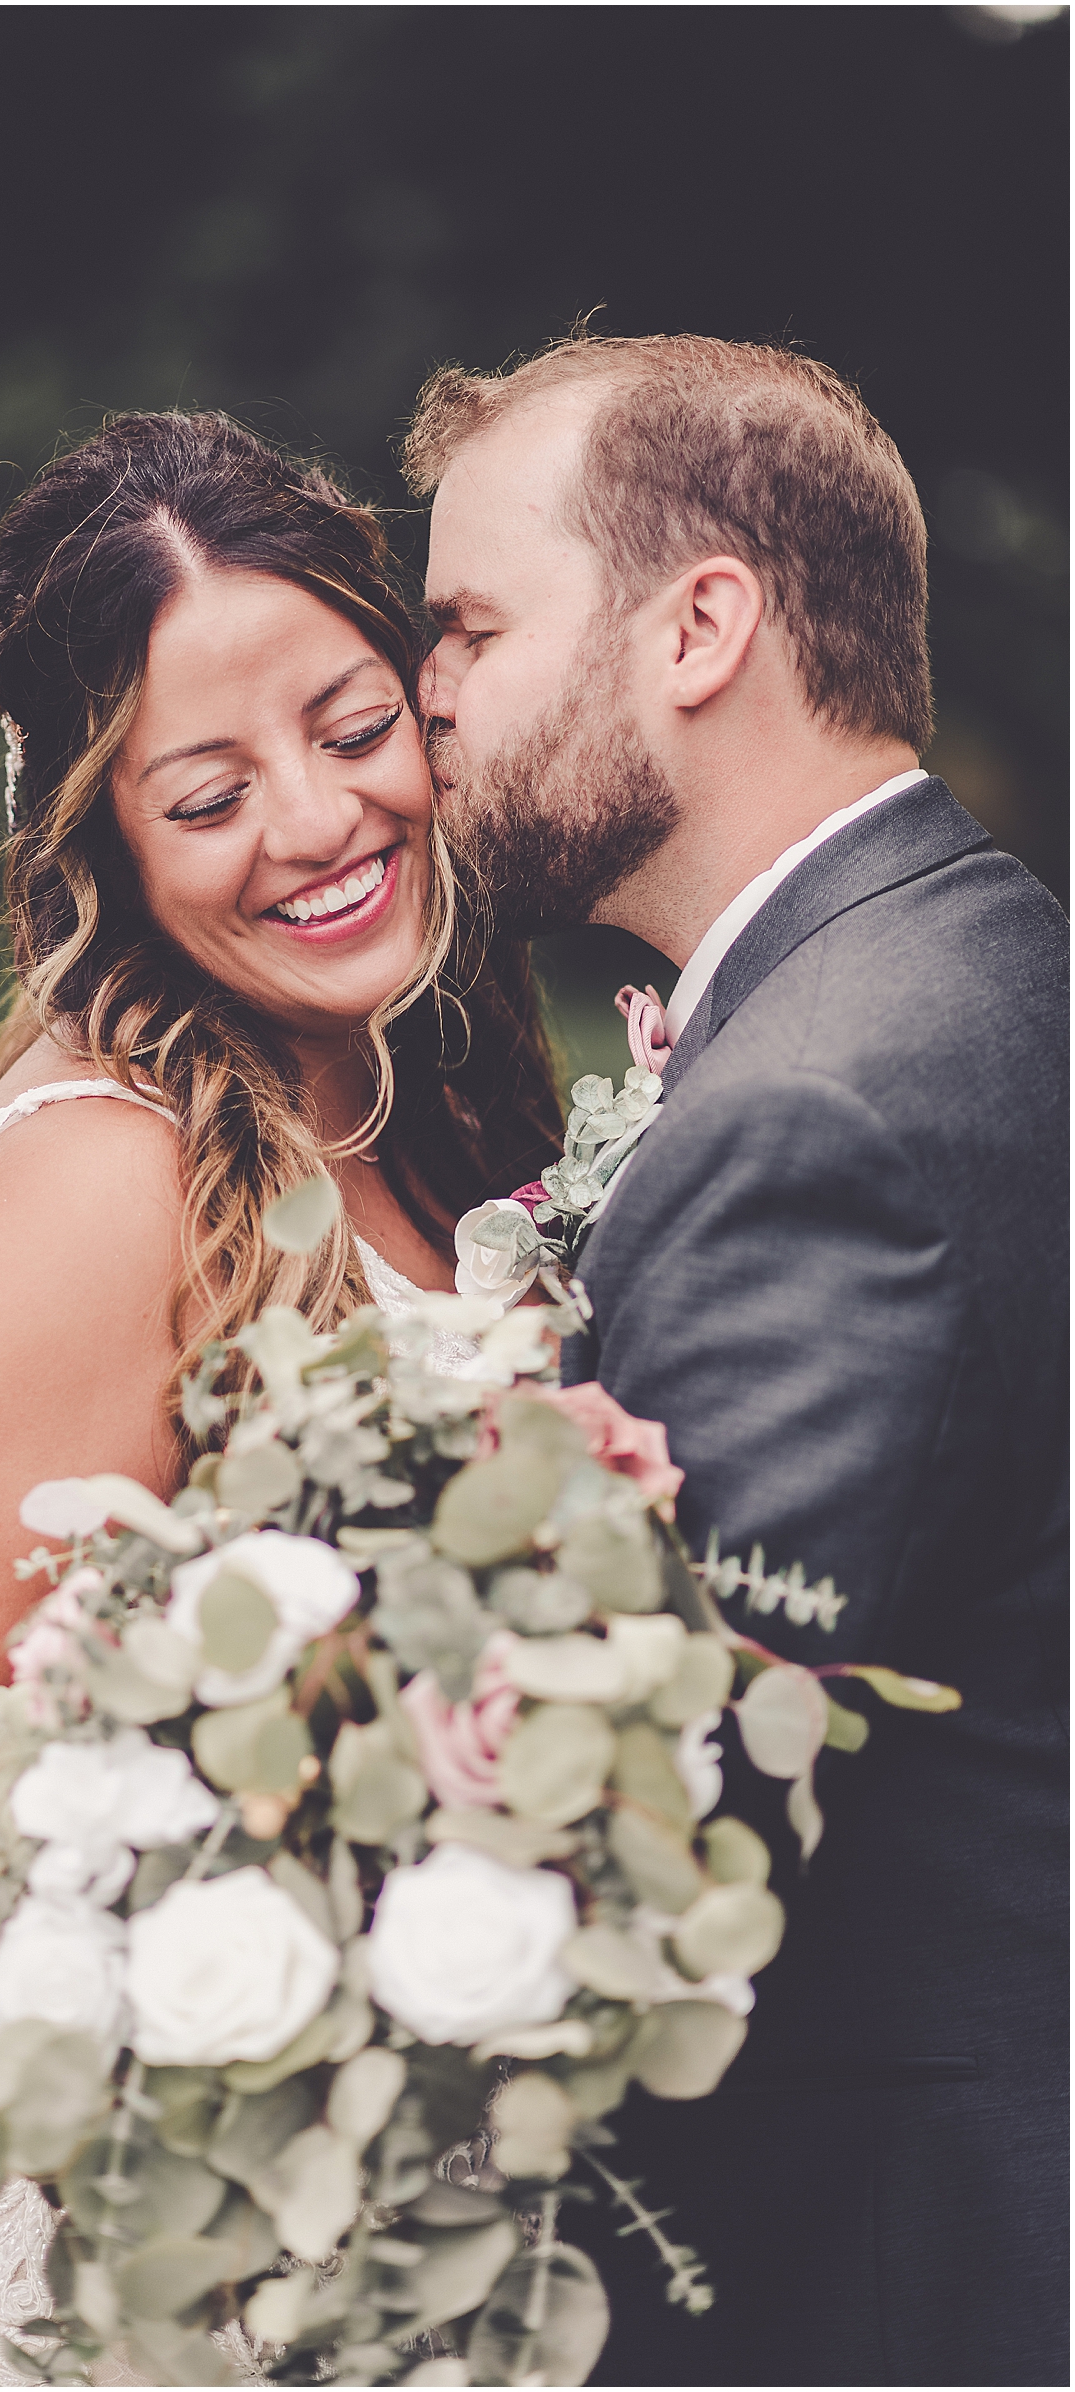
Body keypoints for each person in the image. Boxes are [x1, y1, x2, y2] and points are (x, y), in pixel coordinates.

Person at [0, 410, 563, 2388]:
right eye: (205, 791)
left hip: (365, 2179)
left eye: (350, 724)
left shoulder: (433, 1097)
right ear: (102, 839)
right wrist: (306, 1728)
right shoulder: (104, 1172)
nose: (311, 820)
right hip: (101, 2233)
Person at [410, 333, 1068, 2389]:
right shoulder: (960, 964)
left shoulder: (826, 1107)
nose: (421, 698)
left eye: (467, 626)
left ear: (699, 622)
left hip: (865, 2283)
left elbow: (649, 1817)